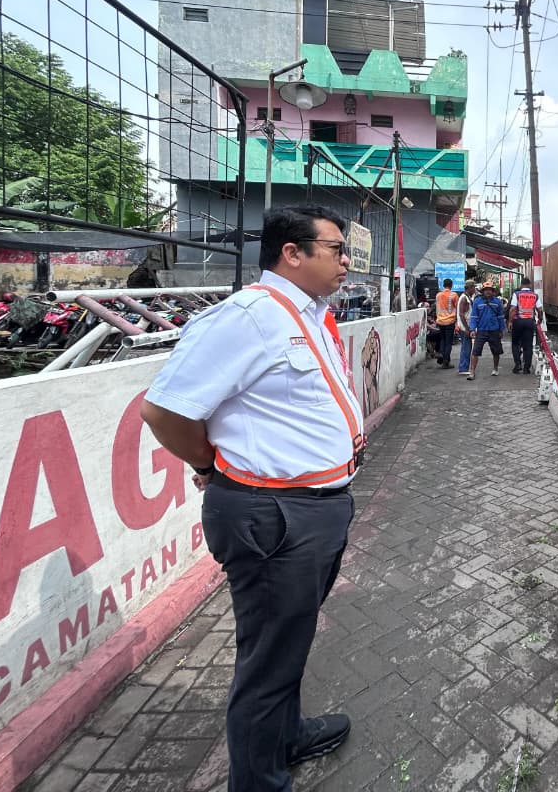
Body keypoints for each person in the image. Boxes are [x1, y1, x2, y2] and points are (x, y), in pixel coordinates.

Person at [140, 206, 362, 792]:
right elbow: (164, 411)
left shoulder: (310, 315)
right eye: (336, 249)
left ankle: (284, 737)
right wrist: (209, 465)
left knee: (289, 640)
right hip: (275, 515)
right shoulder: (247, 318)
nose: (347, 261)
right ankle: (259, 780)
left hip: (316, 508)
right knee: (265, 662)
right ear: (292, 253)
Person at [467, 280, 506, 379]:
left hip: (494, 330)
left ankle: (495, 369)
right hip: (481, 330)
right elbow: (474, 317)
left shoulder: (497, 302)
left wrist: (501, 330)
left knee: (496, 351)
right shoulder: (477, 302)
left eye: (490, 290)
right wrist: (472, 329)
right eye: (486, 290)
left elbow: (501, 317)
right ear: (483, 291)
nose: (488, 292)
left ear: (493, 291)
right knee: (475, 351)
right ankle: (472, 372)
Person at [507, 277, 542, 375]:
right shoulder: (535, 295)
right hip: (529, 322)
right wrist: (540, 319)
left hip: (518, 321)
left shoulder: (517, 294)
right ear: (530, 285)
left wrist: (510, 322)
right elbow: (540, 310)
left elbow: (513, 309)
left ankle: (518, 365)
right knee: (528, 345)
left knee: (515, 344)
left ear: (521, 285)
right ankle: (526, 368)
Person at [433, 277, 458, 367]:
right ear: (451, 285)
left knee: (443, 339)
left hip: (440, 321)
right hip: (450, 321)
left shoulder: (438, 295)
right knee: (448, 342)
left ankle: (441, 354)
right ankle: (446, 361)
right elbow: (457, 308)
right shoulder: (454, 295)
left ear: (443, 285)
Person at [455, 280, 476, 377]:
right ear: (470, 288)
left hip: (464, 326)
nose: (474, 289)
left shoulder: (466, 298)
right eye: (473, 287)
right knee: (466, 348)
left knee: (467, 347)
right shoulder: (464, 299)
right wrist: (468, 329)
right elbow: (461, 315)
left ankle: (464, 367)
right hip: (464, 327)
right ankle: (463, 368)